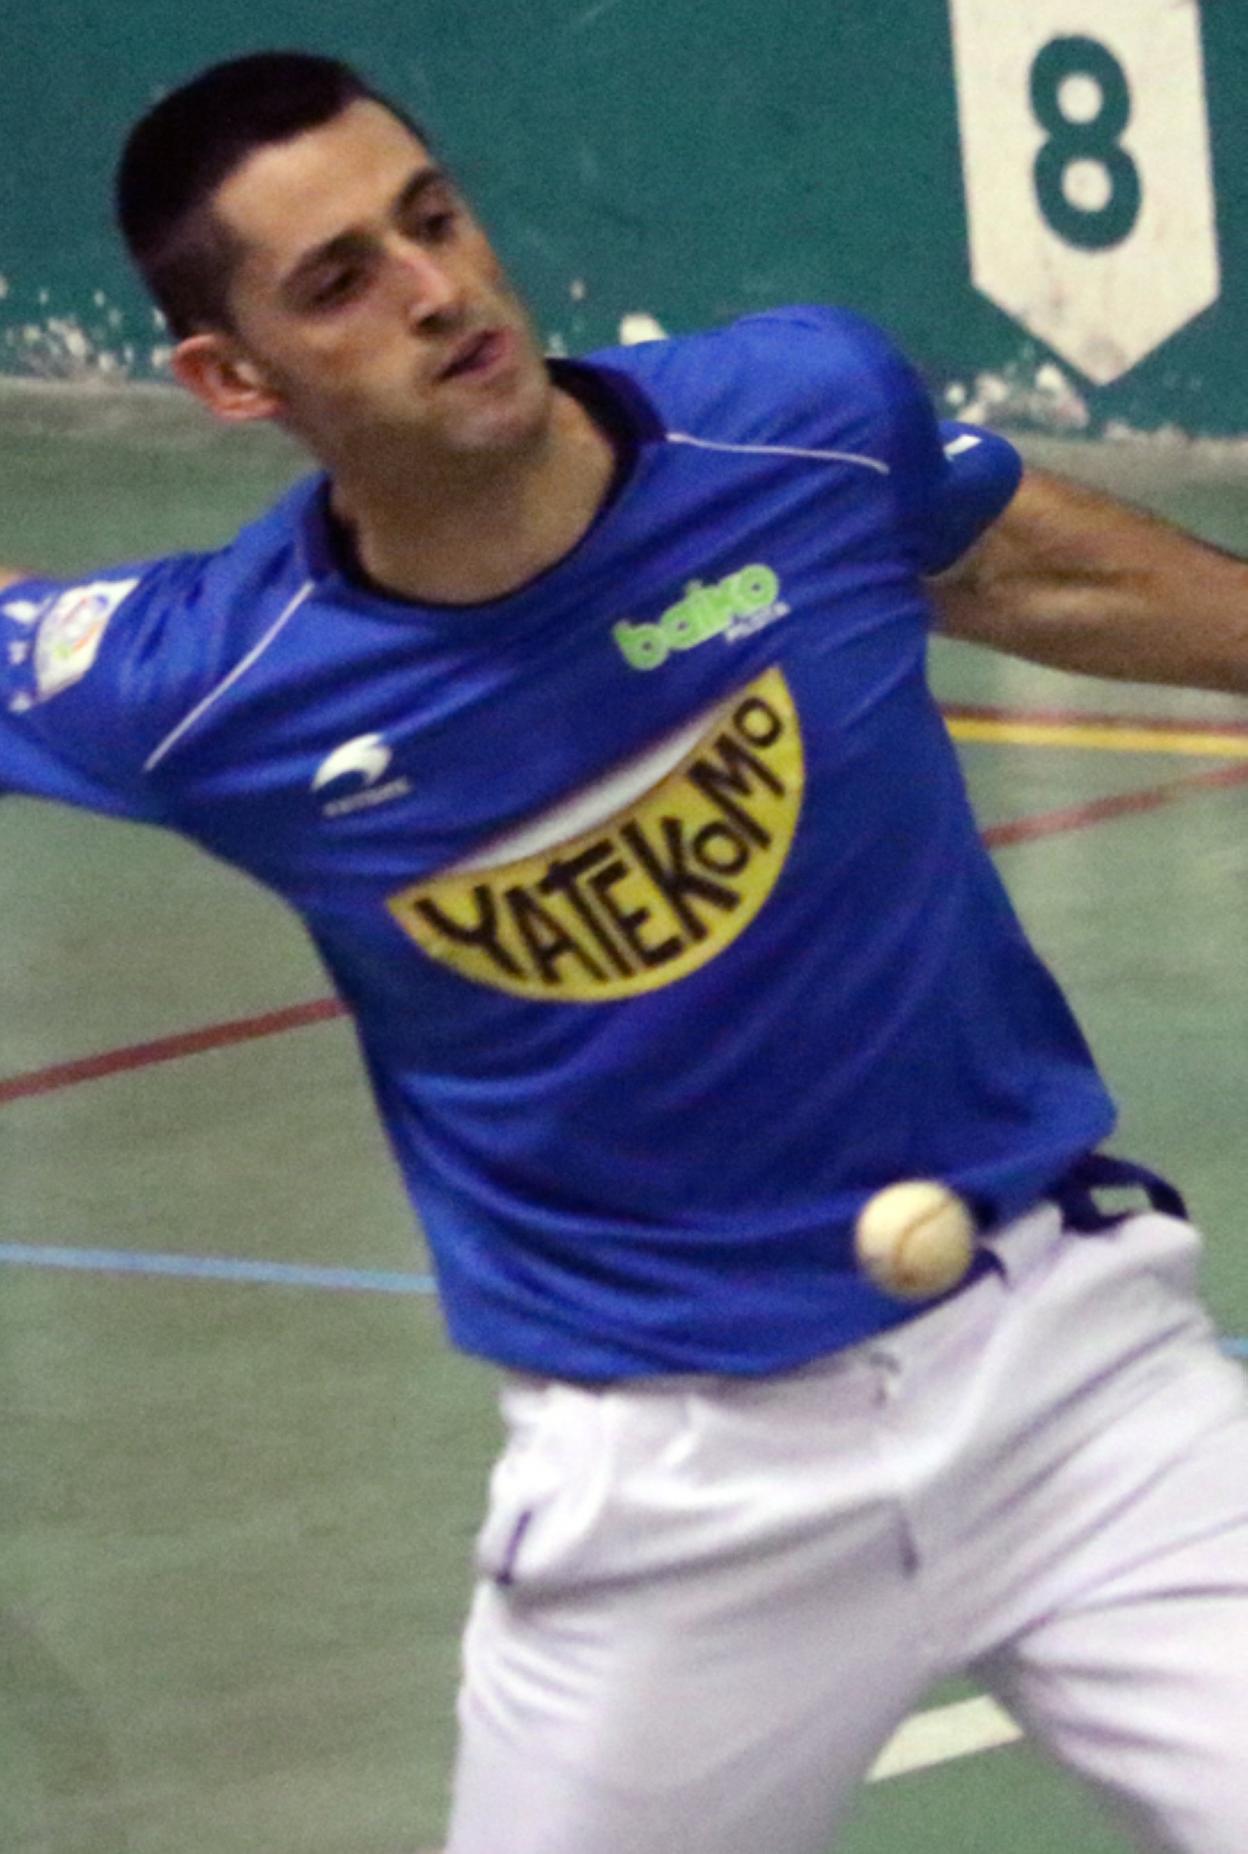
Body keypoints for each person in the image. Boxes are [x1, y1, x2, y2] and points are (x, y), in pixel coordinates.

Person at [2, 49, 1246, 1854]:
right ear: (231, 376)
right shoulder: (209, 684)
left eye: (433, 218)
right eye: (340, 280)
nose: (436, 290)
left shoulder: (797, 420)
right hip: (671, 1502)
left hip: (1071, 1375)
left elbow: (1025, 564)